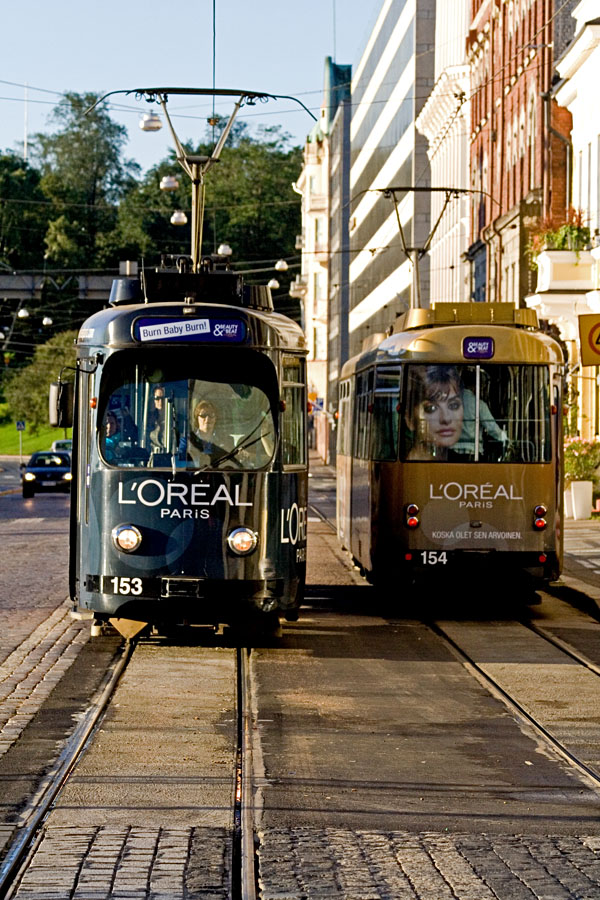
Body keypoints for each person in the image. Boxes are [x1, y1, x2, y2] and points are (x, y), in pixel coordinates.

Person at [404, 365, 464, 460]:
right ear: (409, 419)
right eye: (431, 408)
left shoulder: (464, 464)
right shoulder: (400, 470)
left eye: (454, 405)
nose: (446, 418)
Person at [187, 400, 232, 466]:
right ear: (197, 418)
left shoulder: (225, 440)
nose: (207, 419)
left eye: (211, 415)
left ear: (215, 419)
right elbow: (183, 462)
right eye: (203, 415)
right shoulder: (188, 440)